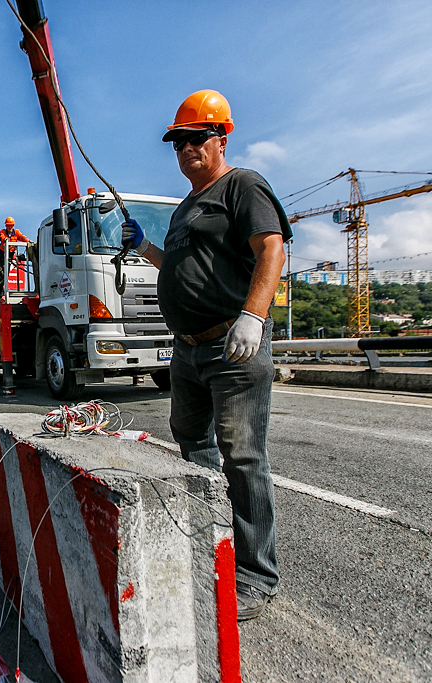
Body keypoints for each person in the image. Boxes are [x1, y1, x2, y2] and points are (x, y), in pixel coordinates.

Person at [122, 89, 292, 621]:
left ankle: (256, 576)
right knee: (192, 445)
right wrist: (144, 248)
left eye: (197, 138)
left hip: (230, 344)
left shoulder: (242, 186)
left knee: (242, 458)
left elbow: (271, 249)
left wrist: (254, 316)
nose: (186, 149)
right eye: (178, 142)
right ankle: (208, 543)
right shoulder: (184, 208)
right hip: (188, 350)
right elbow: (182, 264)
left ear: (221, 138)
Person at [0, 217, 30, 295]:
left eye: (11, 225)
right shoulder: (2, 232)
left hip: (9, 254)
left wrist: (28, 241)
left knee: (6, 273)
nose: (10, 227)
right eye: (8, 225)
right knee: (0, 273)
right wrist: (6, 240)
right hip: (1, 254)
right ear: (6, 226)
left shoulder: (16, 232)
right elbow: (2, 238)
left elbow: (22, 237)